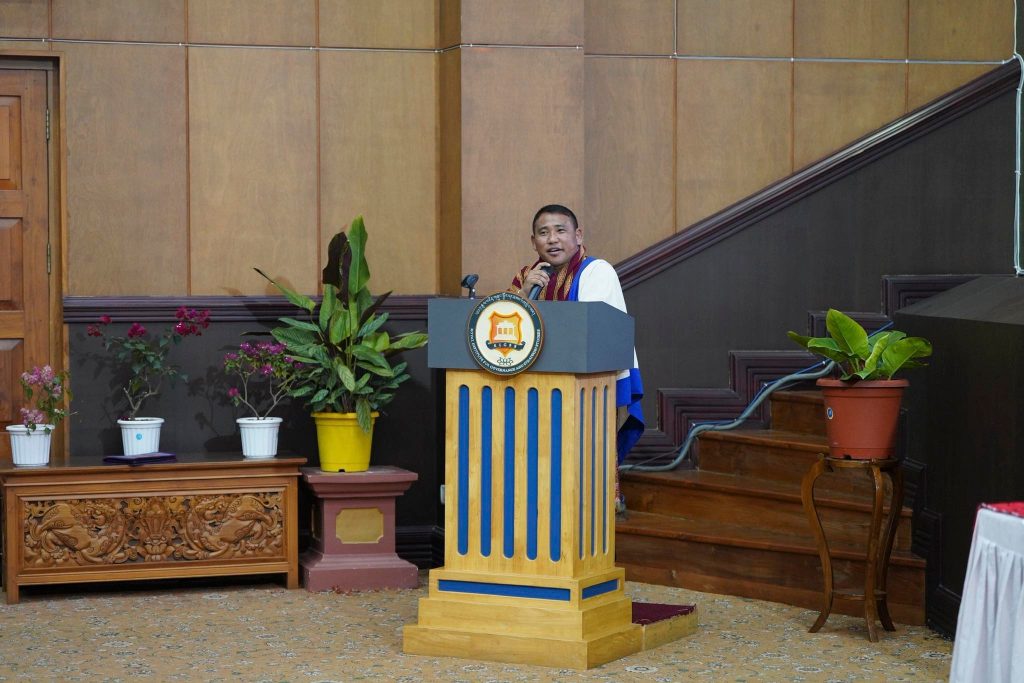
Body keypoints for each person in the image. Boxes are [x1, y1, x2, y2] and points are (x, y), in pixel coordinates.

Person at [510, 204, 644, 512]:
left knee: (586, 453)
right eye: (543, 233)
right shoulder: (527, 277)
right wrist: (523, 295)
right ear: (533, 241)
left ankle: (595, 509)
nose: (552, 239)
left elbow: (593, 329)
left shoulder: (596, 271)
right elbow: (504, 327)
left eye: (560, 231)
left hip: (589, 383)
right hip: (535, 385)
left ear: (578, 235)